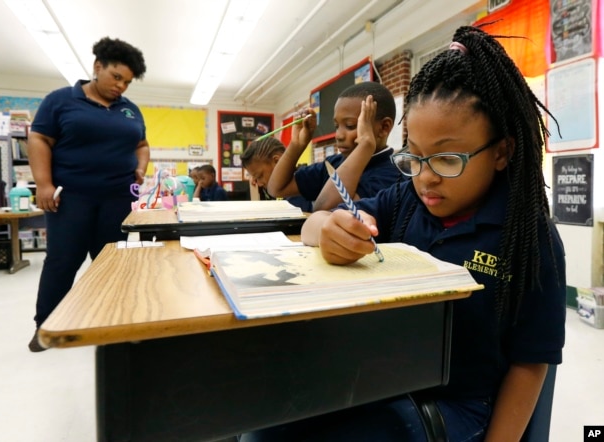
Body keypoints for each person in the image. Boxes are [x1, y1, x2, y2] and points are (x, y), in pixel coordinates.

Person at [243, 25, 566, 441]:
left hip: (456, 407)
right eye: (414, 158)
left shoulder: (529, 237)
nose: (426, 178)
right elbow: (313, 221)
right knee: (261, 425)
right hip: (382, 379)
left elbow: (531, 364)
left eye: (448, 160)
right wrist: (327, 229)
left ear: (501, 152)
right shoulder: (406, 200)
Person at [27, 37, 148, 352]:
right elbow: (39, 138)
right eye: (116, 77)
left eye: (127, 82)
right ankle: (46, 326)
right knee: (63, 260)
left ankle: (110, 319)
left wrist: (141, 167)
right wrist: (43, 185)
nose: (121, 86)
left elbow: (142, 145)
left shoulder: (130, 111)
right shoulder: (61, 100)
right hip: (71, 197)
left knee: (110, 261)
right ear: (97, 67)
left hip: (117, 198)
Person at [266, 81, 402, 211]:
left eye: (350, 126)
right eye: (337, 126)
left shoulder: (393, 177)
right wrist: (297, 144)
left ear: (384, 128)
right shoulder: (334, 163)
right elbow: (276, 188)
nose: (338, 135)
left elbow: (324, 210)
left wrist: (365, 145)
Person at [240, 137, 313, 212]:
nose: (259, 184)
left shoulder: (298, 188)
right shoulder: (280, 191)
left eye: (260, 176)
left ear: (277, 161)